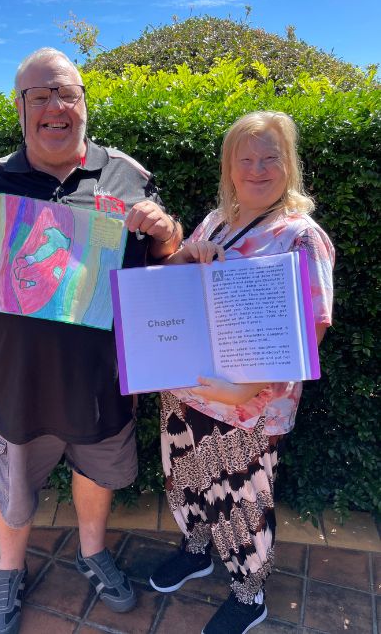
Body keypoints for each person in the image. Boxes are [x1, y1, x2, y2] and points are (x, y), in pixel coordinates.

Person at [0, 47, 183, 634]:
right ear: (20, 107)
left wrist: (167, 234)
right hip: (17, 380)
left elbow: (160, 258)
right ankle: (9, 570)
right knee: (14, 488)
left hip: (102, 377)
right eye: (40, 96)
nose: (55, 106)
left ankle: (92, 553)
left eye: (66, 93)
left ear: (84, 104)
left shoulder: (128, 175)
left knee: (95, 473)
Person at [148, 111, 334, 634]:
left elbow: (310, 329)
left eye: (269, 157)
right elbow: (170, 288)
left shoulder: (301, 235)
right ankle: (196, 550)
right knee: (185, 483)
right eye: (244, 159)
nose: (257, 169)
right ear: (229, 168)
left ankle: (249, 595)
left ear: (288, 165)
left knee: (242, 502)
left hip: (249, 405)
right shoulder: (214, 221)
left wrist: (244, 389)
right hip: (188, 390)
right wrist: (187, 255)